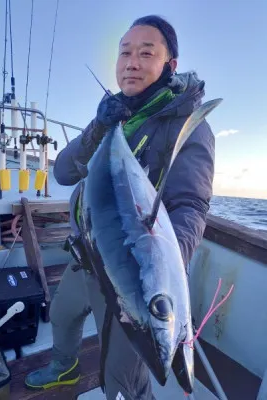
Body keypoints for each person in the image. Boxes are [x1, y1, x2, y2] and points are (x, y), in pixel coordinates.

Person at [25, 15, 215, 399]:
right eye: (125, 52)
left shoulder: (186, 127)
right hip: (86, 255)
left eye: (147, 53)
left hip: (128, 276)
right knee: (61, 316)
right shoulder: (113, 116)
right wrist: (97, 127)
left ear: (169, 65)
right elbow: (62, 172)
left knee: (123, 378)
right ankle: (64, 366)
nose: (132, 62)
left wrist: (155, 273)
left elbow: (191, 205)